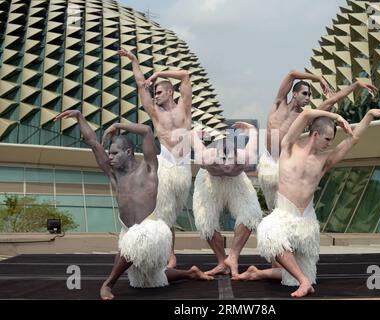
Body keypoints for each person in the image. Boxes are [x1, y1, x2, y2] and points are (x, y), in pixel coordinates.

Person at [238, 104, 380, 298]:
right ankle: (304, 282)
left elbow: (352, 139)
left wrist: (370, 115)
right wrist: (336, 116)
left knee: (294, 277)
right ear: (315, 134)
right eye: (327, 139)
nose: (330, 143)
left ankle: (259, 273)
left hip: (307, 222)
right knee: (268, 233)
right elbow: (306, 114)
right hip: (283, 215)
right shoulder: (288, 146)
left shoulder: (325, 159)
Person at [54, 110, 212, 300]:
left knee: (136, 241)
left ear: (128, 152)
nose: (109, 157)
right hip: (127, 231)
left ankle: (107, 284)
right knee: (149, 280)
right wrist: (80, 117)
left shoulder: (148, 169)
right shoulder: (115, 176)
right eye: (109, 154)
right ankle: (189, 273)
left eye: (114, 153)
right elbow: (94, 143)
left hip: (151, 231)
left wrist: (119, 126)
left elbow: (146, 130)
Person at [119, 48, 193, 268]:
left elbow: (185, 76)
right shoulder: (155, 113)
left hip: (185, 168)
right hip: (167, 165)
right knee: (162, 211)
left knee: (174, 211)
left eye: (159, 92)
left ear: (169, 92)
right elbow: (142, 86)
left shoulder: (184, 108)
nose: (155, 95)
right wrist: (134, 61)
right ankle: (170, 254)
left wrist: (159, 74)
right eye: (155, 92)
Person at [191, 122, 262, 279]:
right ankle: (223, 262)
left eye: (230, 160)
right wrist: (197, 131)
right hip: (210, 181)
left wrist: (251, 130)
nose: (226, 165)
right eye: (222, 160)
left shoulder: (245, 158)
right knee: (205, 222)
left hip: (236, 181)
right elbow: (193, 136)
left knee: (252, 214)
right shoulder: (205, 157)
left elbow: (254, 136)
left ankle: (233, 257)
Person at [258, 70, 331, 212]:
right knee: (272, 208)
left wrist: (334, 97)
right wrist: (318, 78)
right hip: (267, 160)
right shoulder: (279, 103)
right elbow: (292, 74)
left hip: (283, 163)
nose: (308, 98)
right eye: (305, 93)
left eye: (310, 95)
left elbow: (327, 105)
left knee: (282, 208)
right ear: (295, 93)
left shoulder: (302, 117)